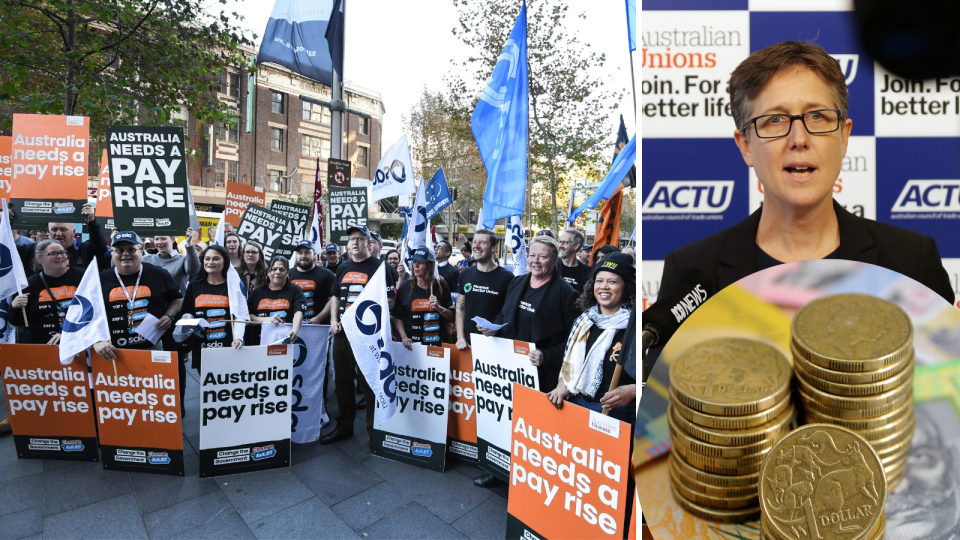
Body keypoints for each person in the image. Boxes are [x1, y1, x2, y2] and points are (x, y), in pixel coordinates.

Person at [660, 41, 954, 304]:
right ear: (746, 145)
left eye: (816, 116)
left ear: (843, 137)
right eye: (775, 119)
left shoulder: (911, 259)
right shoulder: (691, 271)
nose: (798, 139)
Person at [322, 225, 398, 445]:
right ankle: (344, 426)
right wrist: (334, 320)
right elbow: (336, 297)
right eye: (351, 239)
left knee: (369, 383)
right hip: (343, 334)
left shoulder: (382, 268)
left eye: (360, 238)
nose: (355, 242)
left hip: (368, 336)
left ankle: (375, 431)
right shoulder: (344, 267)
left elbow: (390, 301)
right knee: (343, 382)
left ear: (369, 242)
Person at [546, 252, 636, 422]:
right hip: (578, 410)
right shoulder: (583, 322)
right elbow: (568, 365)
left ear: (626, 287)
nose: (604, 287)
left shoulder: (636, 327)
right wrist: (562, 385)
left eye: (613, 282)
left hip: (616, 417)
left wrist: (632, 391)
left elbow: (655, 378)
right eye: (599, 281)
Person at [483, 236, 579, 391]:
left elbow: (573, 343)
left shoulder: (567, 294)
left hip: (540, 376)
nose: (536, 261)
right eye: (532, 255)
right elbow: (504, 314)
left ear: (554, 260)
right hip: (508, 368)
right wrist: (494, 327)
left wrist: (546, 355)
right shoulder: (517, 282)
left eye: (543, 257)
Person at [92, 231, 184, 360]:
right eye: (119, 250)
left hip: (151, 348)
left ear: (141, 251)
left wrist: (169, 315)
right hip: (112, 351)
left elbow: (177, 298)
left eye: (131, 249)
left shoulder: (159, 274)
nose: (125, 254)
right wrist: (96, 341)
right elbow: (86, 315)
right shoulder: (99, 280)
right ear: (111, 253)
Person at [175, 245, 243, 407]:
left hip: (229, 347)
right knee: (209, 391)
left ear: (224, 262)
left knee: (228, 391)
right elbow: (186, 311)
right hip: (202, 350)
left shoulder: (233, 286)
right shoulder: (194, 285)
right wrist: (187, 318)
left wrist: (238, 336)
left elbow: (241, 315)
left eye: (216, 258)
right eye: (207, 258)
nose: (210, 262)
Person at [9, 239, 85, 344]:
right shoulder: (29, 284)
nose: (59, 256)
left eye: (62, 253)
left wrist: (68, 332)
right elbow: (18, 321)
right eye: (53, 254)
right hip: (41, 345)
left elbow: (91, 310)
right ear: (39, 259)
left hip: (76, 341)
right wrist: (14, 307)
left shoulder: (82, 276)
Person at [455, 230, 514, 349]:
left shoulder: (507, 277)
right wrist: (460, 337)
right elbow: (460, 307)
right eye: (474, 242)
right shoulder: (466, 273)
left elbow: (509, 312)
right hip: (468, 344)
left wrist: (496, 327)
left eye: (482, 242)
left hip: (497, 345)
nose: (476, 246)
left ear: (494, 248)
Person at [392, 246, 453, 347]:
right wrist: (404, 337)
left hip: (436, 345)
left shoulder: (441, 285)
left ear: (430, 265)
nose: (416, 266)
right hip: (412, 346)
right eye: (414, 262)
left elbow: (451, 316)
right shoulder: (405, 286)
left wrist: (438, 308)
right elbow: (397, 316)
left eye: (420, 262)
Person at [245, 256, 307, 347]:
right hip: (258, 343)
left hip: (286, 342)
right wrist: (266, 320)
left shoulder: (295, 290)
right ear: (268, 272)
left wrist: (295, 329)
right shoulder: (257, 292)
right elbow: (247, 316)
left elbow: (299, 311)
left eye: (282, 269)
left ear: (287, 273)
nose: (277, 272)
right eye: (274, 269)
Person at [48, 203, 108, 271]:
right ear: (49, 232)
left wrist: (92, 221)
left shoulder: (84, 250)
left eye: (63, 229)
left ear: (73, 232)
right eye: (54, 230)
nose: (58, 233)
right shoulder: (42, 251)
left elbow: (101, 247)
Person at [290, 240, 335, 324]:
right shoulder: (288, 275)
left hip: (320, 326)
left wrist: (319, 318)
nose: (303, 256)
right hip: (292, 326)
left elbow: (334, 299)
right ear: (296, 255)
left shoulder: (327, 274)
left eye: (307, 253)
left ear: (314, 254)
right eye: (300, 253)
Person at [143, 228, 201, 294]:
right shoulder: (146, 259)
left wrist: (189, 244)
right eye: (156, 239)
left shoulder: (183, 259)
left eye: (163, 239)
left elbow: (194, 270)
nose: (159, 242)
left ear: (173, 239)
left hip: (178, 302)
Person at [558, 228, 591, 293]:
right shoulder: (551, 268)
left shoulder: (588, 273)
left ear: (576, 246)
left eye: (564, 243)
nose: (560, 246)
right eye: (560, 242)